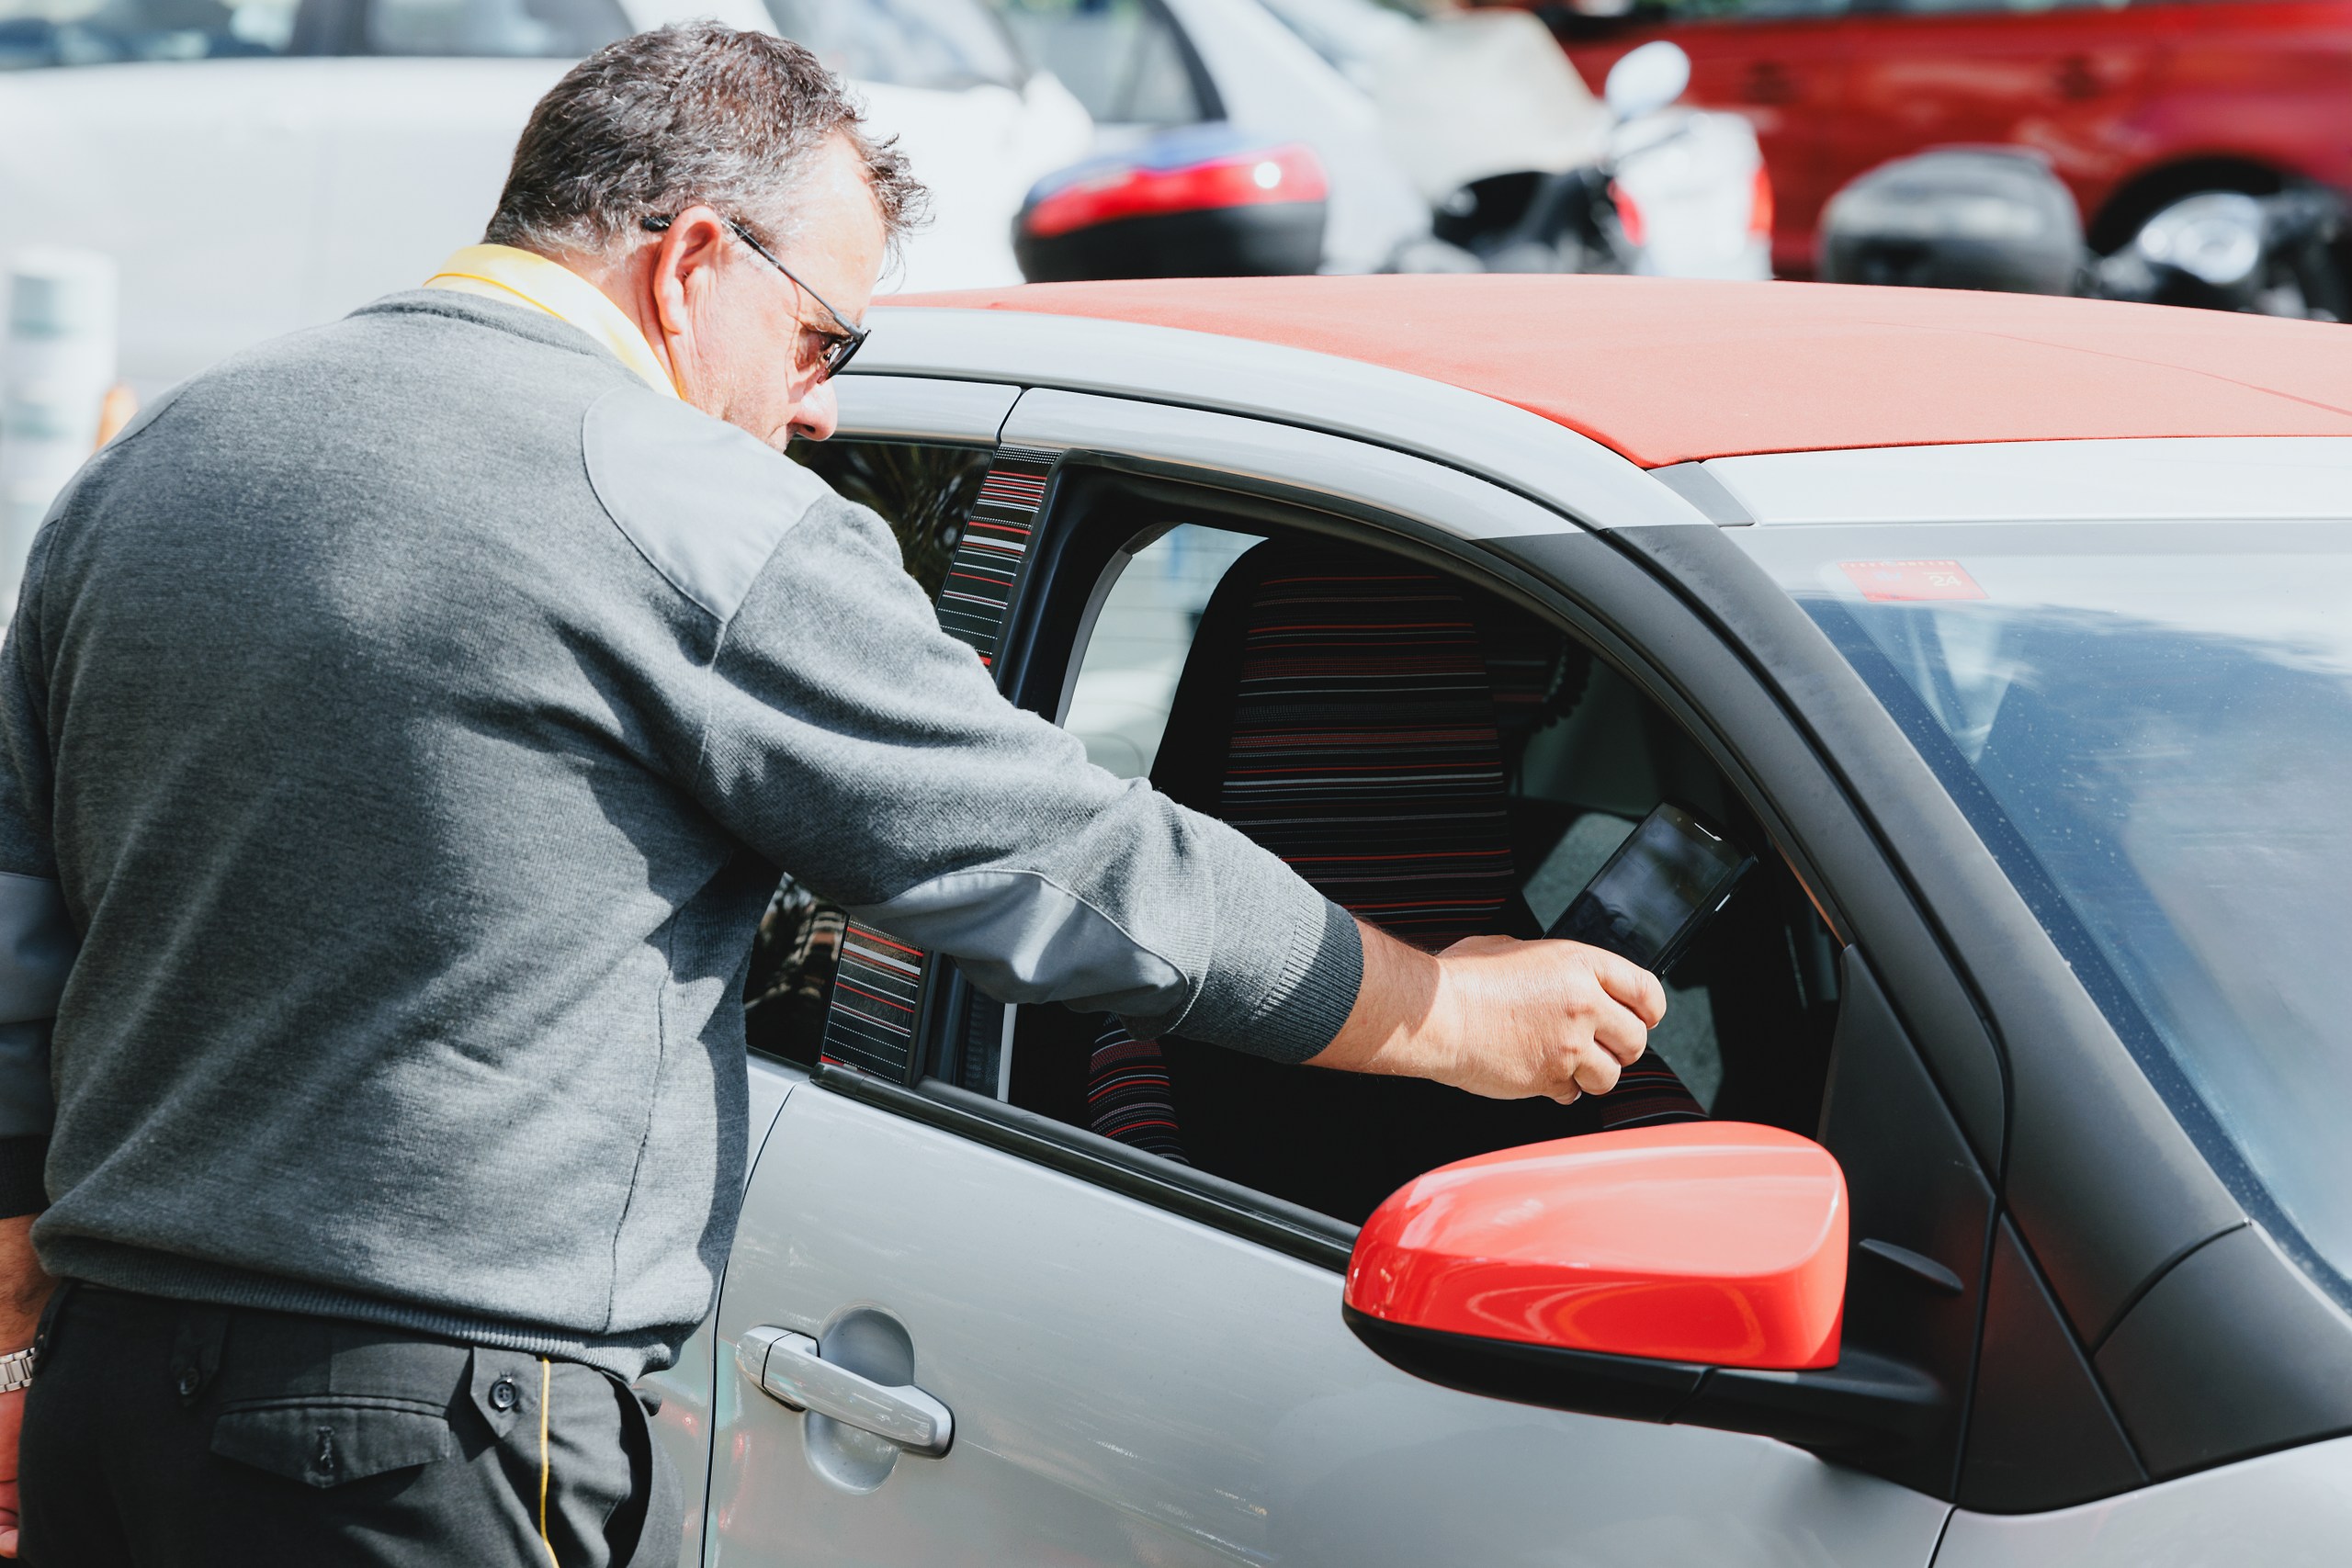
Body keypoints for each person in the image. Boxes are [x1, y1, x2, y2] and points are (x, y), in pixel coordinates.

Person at [0, 23, 1665, 1566]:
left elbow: (21, 915)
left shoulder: (157, 464)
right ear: (692, 262)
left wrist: (18, 1296)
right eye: (819, 336)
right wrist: (1444, 1011)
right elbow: (1049, 859)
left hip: (102, 1385)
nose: (821, 404)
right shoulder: (682, 507)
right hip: (419, 1424)